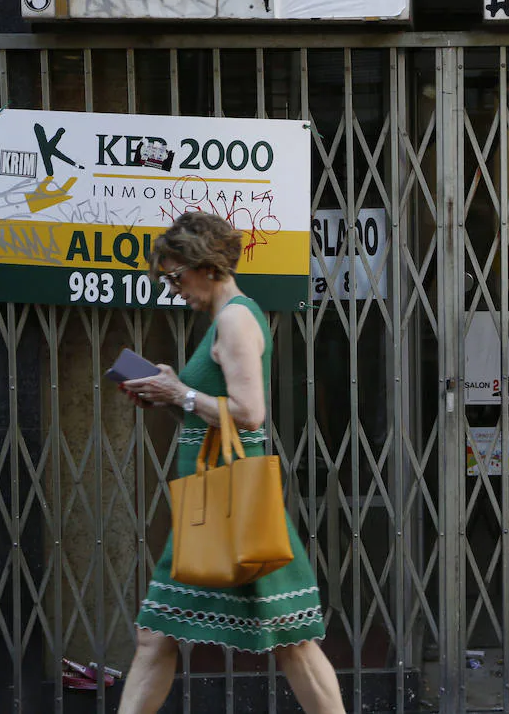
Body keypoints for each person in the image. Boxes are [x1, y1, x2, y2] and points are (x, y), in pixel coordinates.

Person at [114, 211, 344, 714]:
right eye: (167, 279)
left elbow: (249, 413)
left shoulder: (236, 319)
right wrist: (169, 392)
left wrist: (181, 391)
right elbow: (215, 408)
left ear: (207, 265)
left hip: (225, 504)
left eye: (177, 276)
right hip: (215, 501)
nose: (173, 288)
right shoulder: (225, 317)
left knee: (289, 639)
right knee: (170, 634)